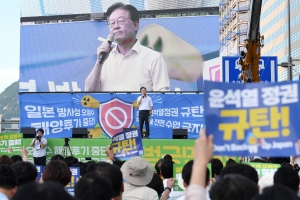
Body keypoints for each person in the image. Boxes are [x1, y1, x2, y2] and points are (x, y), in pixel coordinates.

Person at [85, 2, 170, 92]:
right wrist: (99, 63)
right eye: (112, 23)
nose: (116, 26)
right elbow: (90, 94)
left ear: (135, 25)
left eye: (121, 21)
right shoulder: (105, 59)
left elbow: (162, 98)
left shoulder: (153, 59)